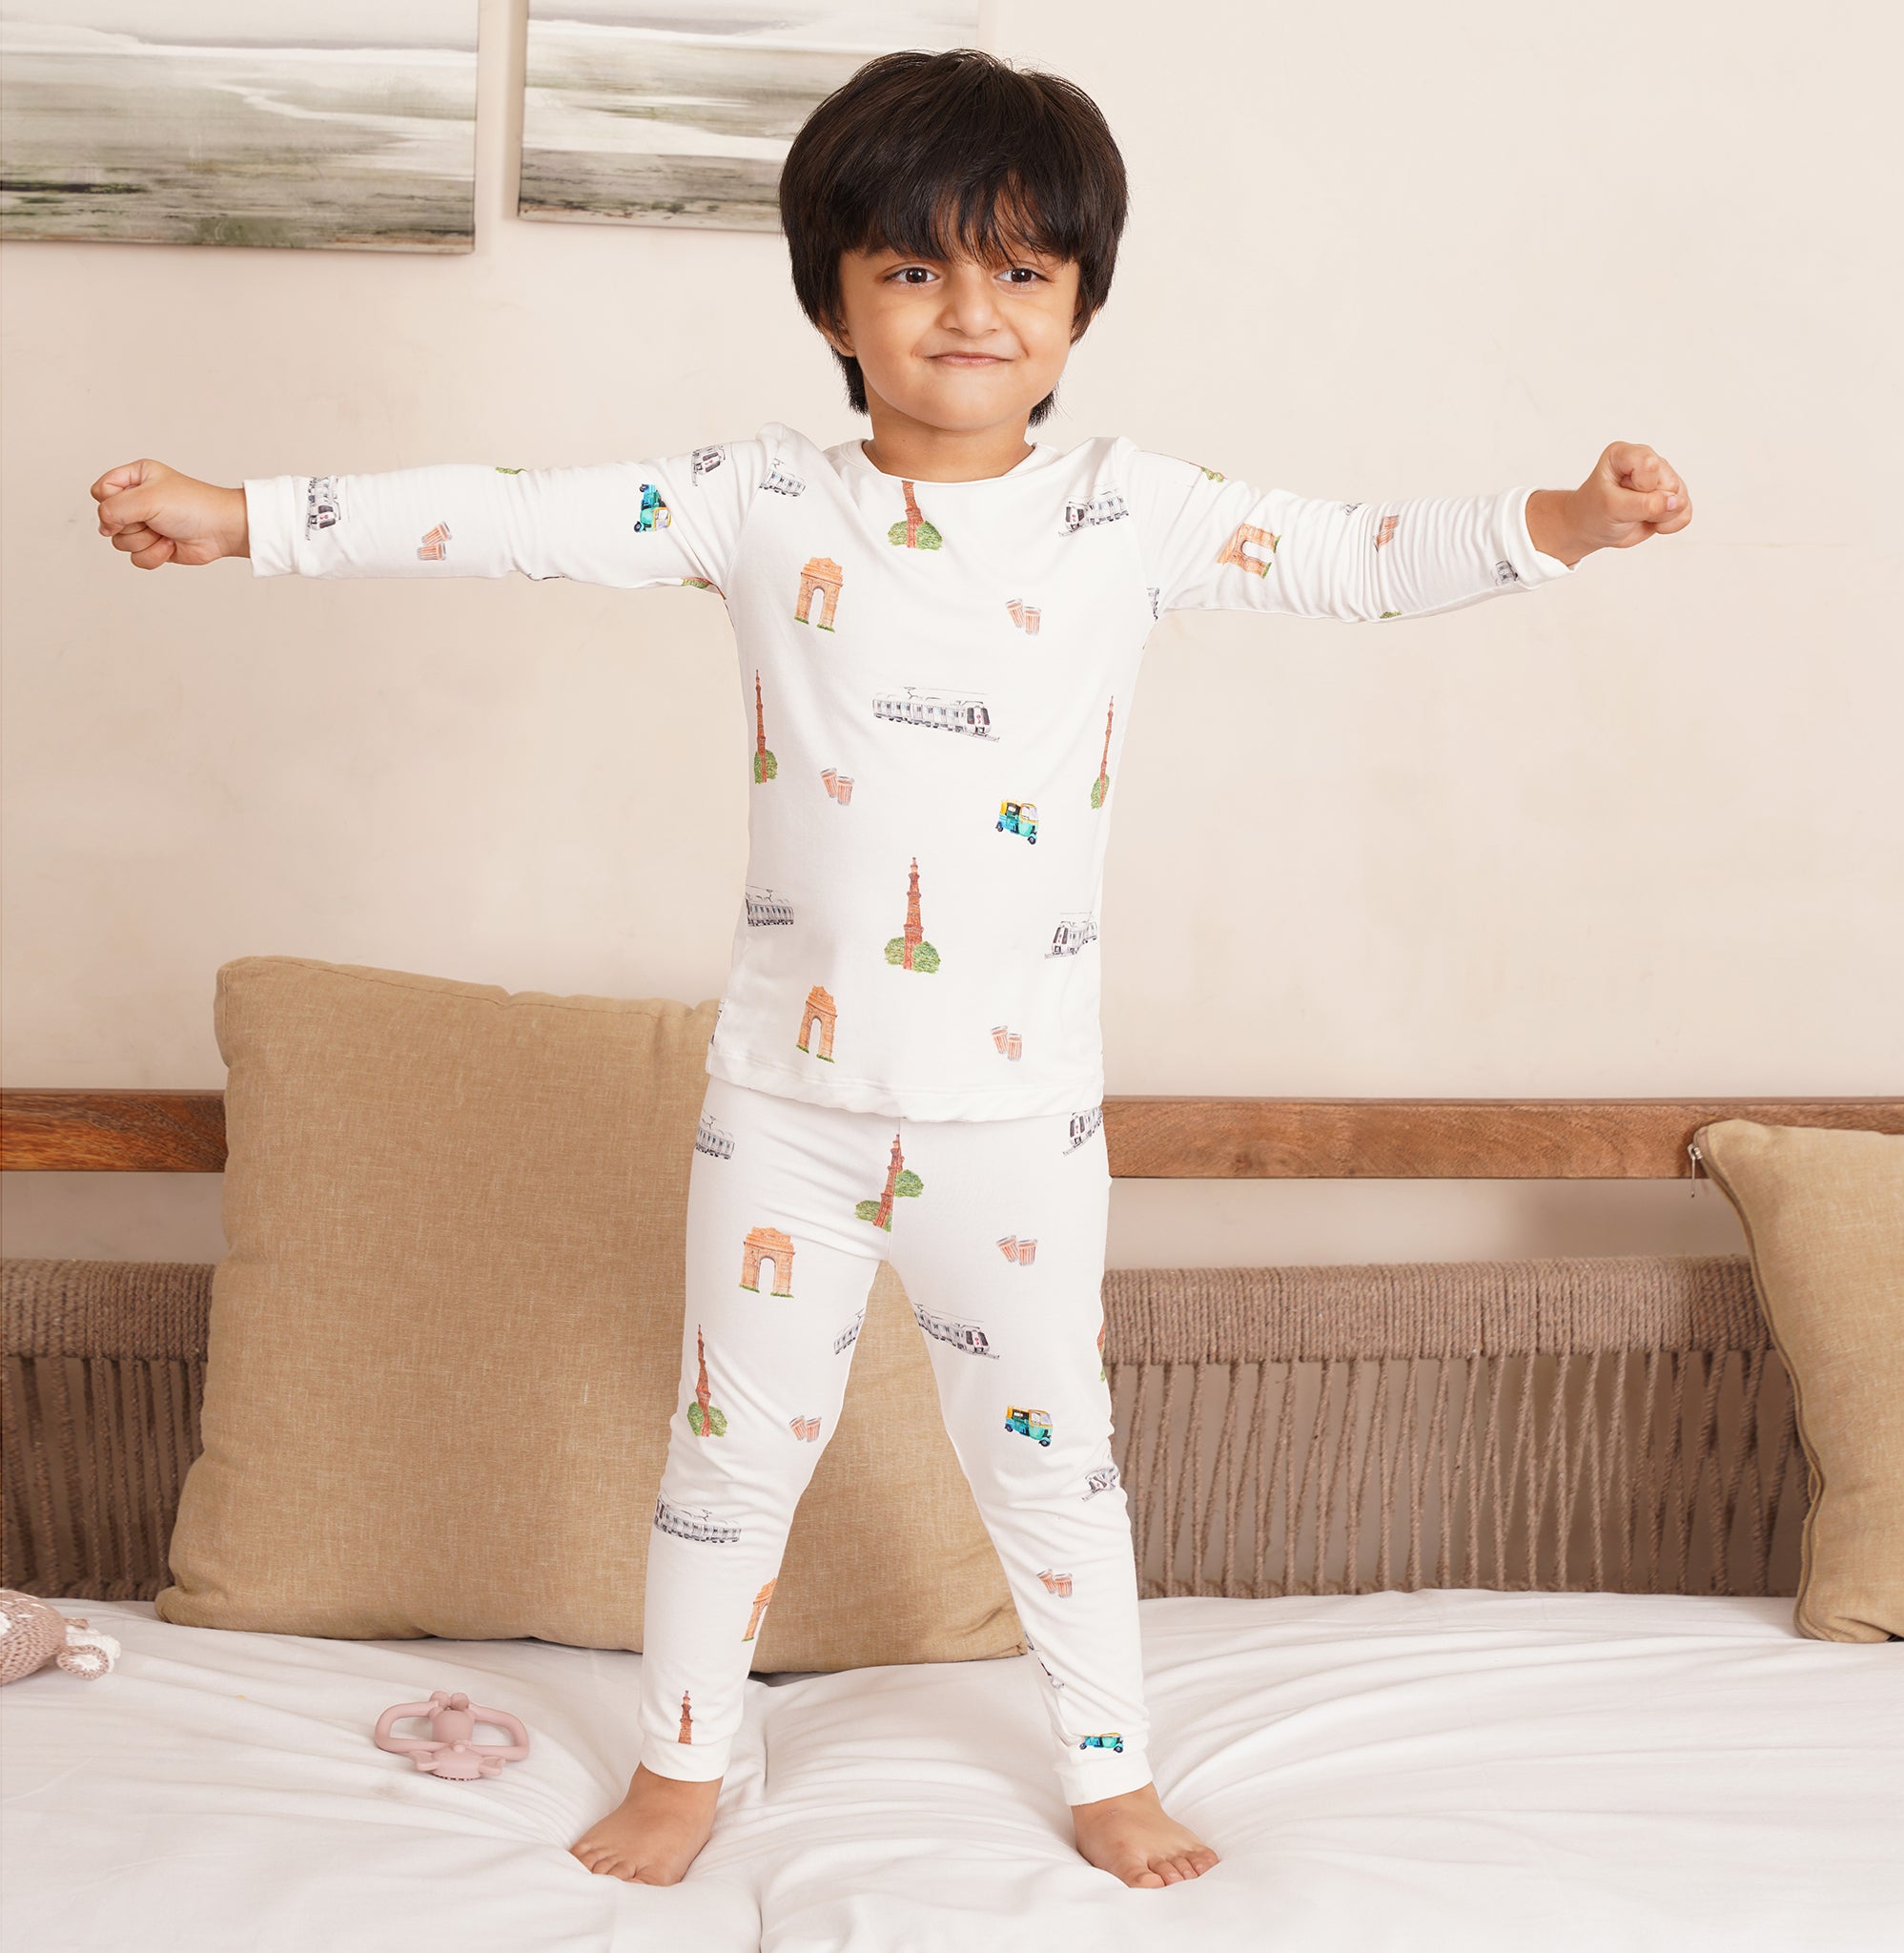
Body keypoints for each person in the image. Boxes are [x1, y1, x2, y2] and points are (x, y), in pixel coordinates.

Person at [87, 46, 1690, 1892]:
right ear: (832, 301)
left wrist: (1561, 524)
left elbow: (1351, 558)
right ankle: (688, 1764)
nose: (968, 310)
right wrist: (248, 516)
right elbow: (505, 511)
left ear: (1082, 307)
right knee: (725, 1457)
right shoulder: (763, 502)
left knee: (1050, 1459)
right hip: (788, 1107)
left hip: (1013, 1120)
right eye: (914, 269)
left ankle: (1107, 1767)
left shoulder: (1126, 515)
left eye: (1021, 270)